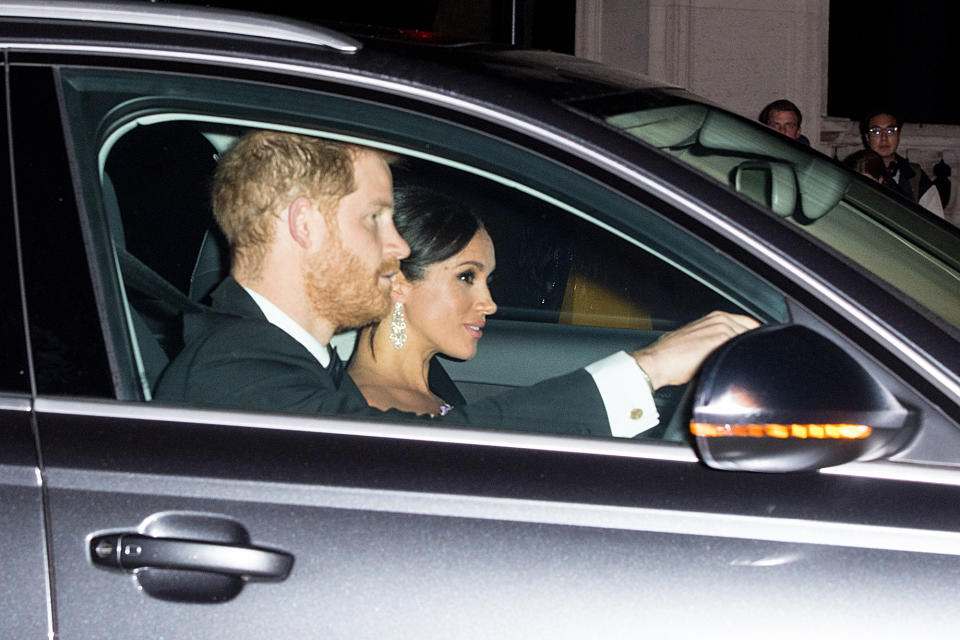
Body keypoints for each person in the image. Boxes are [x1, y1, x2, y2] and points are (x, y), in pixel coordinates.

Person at [154, 130, 758, 437]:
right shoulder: (235, 369)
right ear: (304, 225)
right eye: (374, 219)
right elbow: (419, 457)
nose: (395, 248)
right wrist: (647, 368)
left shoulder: (292, 361)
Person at [348, 187, 492, 415]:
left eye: (487, 281)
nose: (489, 304)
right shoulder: (368, 415)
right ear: (396, 282)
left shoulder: (432, 389)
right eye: (466, 276)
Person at [860, 109, 944, 216]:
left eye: (890, 131)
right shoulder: (855, 170)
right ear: (867, 137)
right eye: (876, 131)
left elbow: (936, 220)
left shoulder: (916, 177)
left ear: (898, 135)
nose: (884, 138)